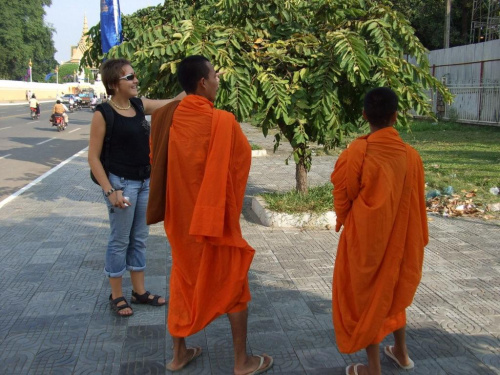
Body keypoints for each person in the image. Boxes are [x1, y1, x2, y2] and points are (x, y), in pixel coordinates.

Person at [148, 55, 273, 374]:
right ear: (202, 82)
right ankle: (241, 361)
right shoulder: (223, 122)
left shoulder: (165, 118)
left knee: (182, 281)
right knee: (234, 286)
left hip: (181, 222)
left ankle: (178, 356)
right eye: (215, 75)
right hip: (215, 222)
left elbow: (156, 158)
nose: (219, 80)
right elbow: (240, 163)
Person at [330, 87, 428, 375]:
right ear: (396, 116)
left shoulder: (356, 153)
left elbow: (343, 195)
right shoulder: (412, 157)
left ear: (364, 116)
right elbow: (416, 203)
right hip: (400, 238)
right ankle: (402, 353)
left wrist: (348, 220)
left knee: (366, 299)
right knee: (391, 288)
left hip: (366, 241)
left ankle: (373, 368)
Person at [88, 58, 185, 317]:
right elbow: (93, 158)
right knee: (120, 240)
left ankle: (139, 292)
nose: (135, 80)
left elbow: (173, 104)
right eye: (129, 77)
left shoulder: (139, 106)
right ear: (113, 84)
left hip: (144, 182)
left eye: (134, 76)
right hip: (120, 184)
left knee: (140, 238)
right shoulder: (103, 114)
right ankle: (117, 295)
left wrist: (198, 79)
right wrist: (110, 191)